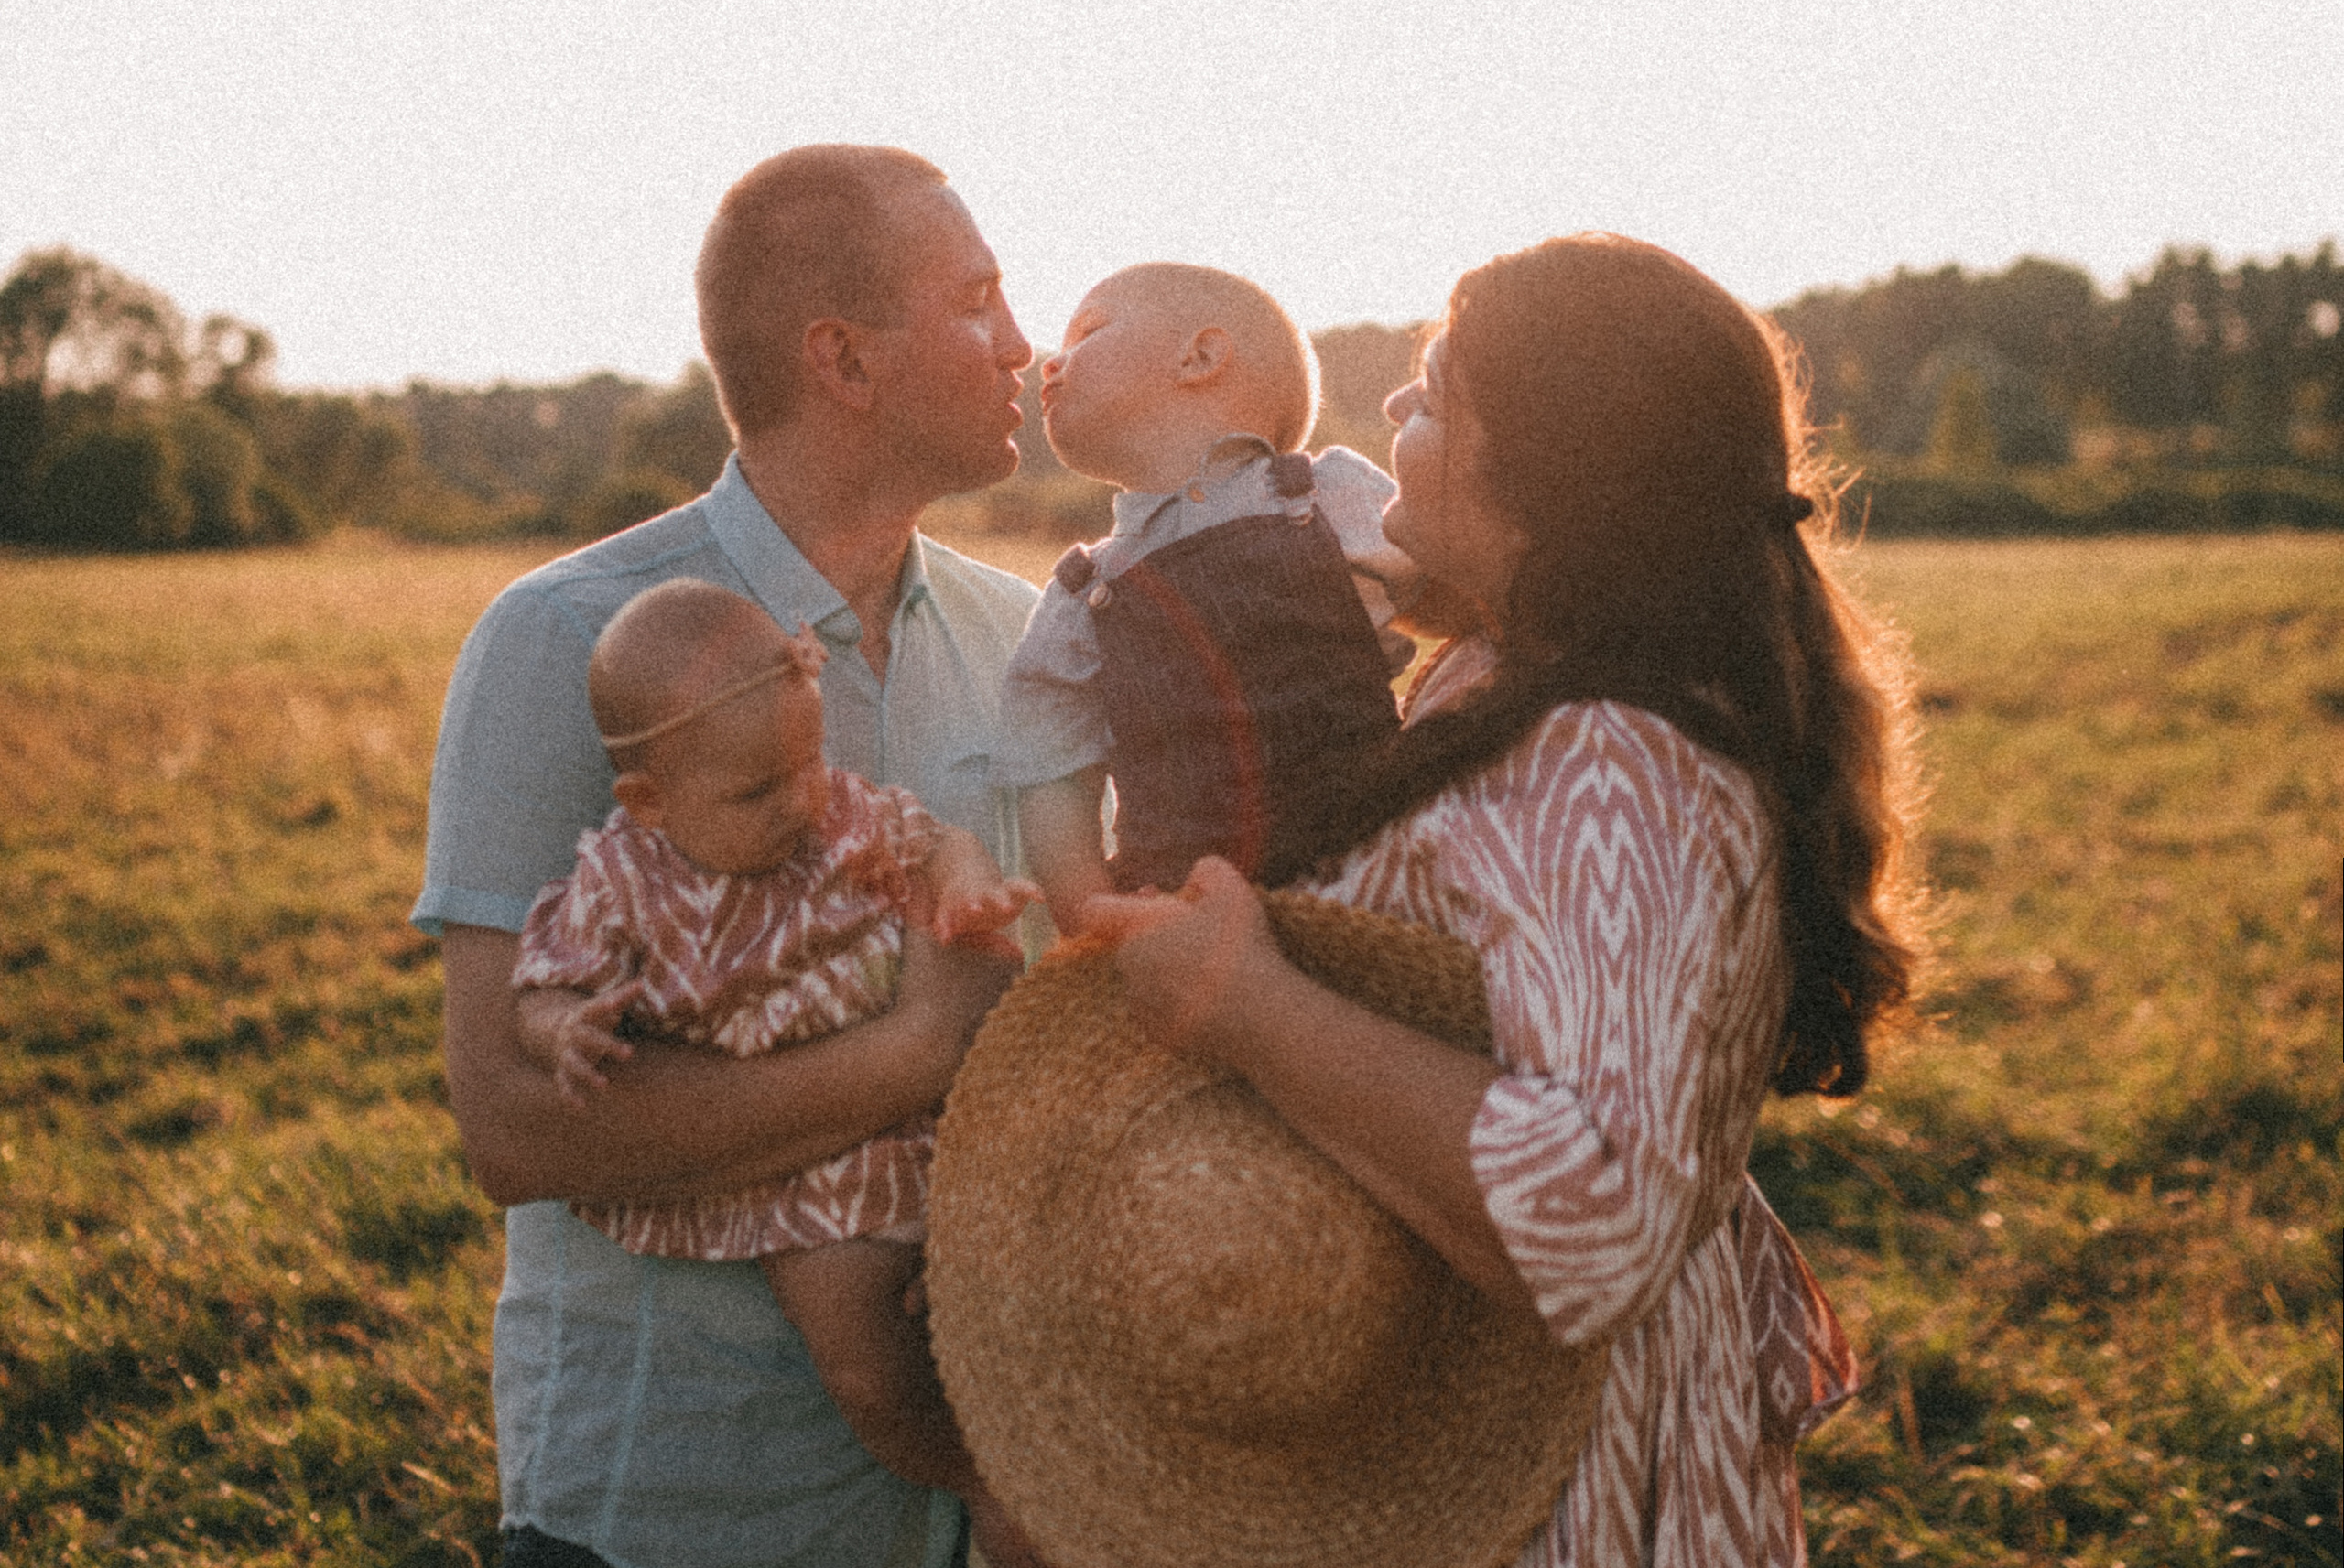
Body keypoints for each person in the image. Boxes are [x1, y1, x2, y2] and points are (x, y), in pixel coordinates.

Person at [1086, 233, 1920, 1567]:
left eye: (1434, 395)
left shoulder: (1610, 761)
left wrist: (1249, 1011)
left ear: (1538, 464)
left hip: (1558, 1476)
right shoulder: (1532, 676)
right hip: (1519, 1424)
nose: (1399, 421)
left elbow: (1593, 1211)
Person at [413, 145, 1044, 1568]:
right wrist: (911, 1053)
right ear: (844, 358)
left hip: (995, 1511)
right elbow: (514, 1125)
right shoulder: (565, 640)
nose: (1022, 343)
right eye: (979, 301)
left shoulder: (1036, 647)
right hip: (681, 1507)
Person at [510, 581, 1038, 1538]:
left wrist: (965, 888)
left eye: (809, 759)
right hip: (796, 1160)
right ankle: (981, 1479)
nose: (800, 798)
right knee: (863, 1355)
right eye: (758, 790)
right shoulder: (621, 880)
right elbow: (541, 984)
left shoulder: (831, 813)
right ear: (648, 800)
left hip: (937, 1113)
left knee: (1015, 1285)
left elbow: (935, 838)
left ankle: (1072, 1443)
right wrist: (565, 1031)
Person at [993, 262, 1416, 932]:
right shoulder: (1084, 591)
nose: (1051, 362)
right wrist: (1084, 903)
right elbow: (1049, 770)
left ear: (1200, 356)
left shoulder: (1320, 498)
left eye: (1087, 334)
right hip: (1182, 918)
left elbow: (1465, 594)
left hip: (1374, 886)